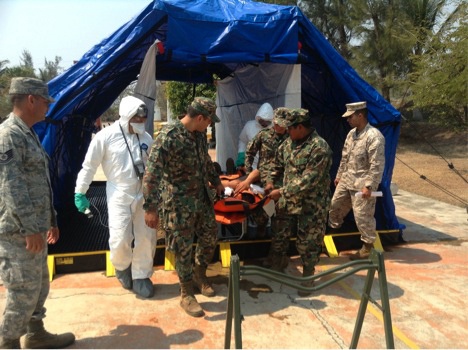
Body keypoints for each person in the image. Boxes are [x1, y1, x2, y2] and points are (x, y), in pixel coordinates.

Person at [0, 77, 75, 348]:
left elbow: (39, 183)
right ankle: (8, 343)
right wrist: (30, 228)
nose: (47, 107)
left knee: (39, 286)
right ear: (30, 99)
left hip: (34, 228)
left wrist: (50, 220)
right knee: (22, 292)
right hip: (17, 233)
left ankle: (36, 334)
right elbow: (12, 188)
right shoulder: (9, 135)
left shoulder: (28, 132)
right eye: (45, 102)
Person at [143, 97, 224, 318]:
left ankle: (200, 274)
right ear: (200, 117)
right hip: (178, 205)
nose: (210, 124)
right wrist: (150, 208)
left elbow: (206, 161)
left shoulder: (198, 135)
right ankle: (186, 293)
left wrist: (216, 182)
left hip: (201, 199)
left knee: (209, 237)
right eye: (209, 121)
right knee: (183, 248)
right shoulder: (168, 137)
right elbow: (151, 175)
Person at [74, 95, 156, 298]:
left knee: (146, 236)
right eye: (136, 119)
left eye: (142, 120)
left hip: (144, 194)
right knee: (120, 238)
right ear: (127, 116)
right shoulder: (105, 137)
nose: (140, 123)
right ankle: (122, 267)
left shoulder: (146, 138)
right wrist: (80, 191)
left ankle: (142, 275)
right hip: (119, 193)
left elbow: (155, 168)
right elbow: (89, 166)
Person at [265, 108, 332, 296]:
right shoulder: (288, 144)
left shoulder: (319, 148)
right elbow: (277, 164)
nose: (287, 132)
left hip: (311, 204)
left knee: (308, 241)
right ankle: (277, 261)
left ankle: (308, 276)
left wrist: (282, 192)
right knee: (280, 231)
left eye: (290, 129)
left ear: (300, 127)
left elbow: (308, 180)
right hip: (288, 201)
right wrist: (271, 181)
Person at [328, 101, 385, 260]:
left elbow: (377, 164)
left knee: (362, 216)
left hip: (362, 184)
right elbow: (345, 157)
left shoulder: (374, 136)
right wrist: (339, 175)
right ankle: (333, 237)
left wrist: (370, 186)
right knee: (334, 207)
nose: (347, 120)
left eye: (350, 116)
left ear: (360, 115)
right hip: (347, 180)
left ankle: (367, 248)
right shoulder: (351, 134)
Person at [234, 107, 290, 239]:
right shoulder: (263, 135)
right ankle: (261, 227)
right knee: (260, 209)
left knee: (281, 212)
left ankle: (277, 240)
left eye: (281, 125)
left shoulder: (290, 137)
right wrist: (248, 172)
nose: (278, 127)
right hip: (261, 176)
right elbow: (250, 152)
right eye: (276, 124)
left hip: (282, 180)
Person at [235, 102, 274, 169]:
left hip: (269, 167)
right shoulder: (249, 126)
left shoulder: (275, 128)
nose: (264, 123)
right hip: (252, 165)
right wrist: (241, 153)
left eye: (267, 121)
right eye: (262, 121)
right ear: (258, 118)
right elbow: (242, 140)